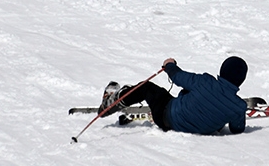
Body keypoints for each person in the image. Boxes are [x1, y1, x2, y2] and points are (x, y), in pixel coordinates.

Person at [99, 56, 249, 135]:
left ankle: (110, 104)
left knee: (146, 88)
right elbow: (237, 129)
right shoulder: (239, 106)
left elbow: (178, 77)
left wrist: (169, 64)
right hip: (202, 130)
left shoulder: (205, 82)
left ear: (222, 70)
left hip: (166, 117)